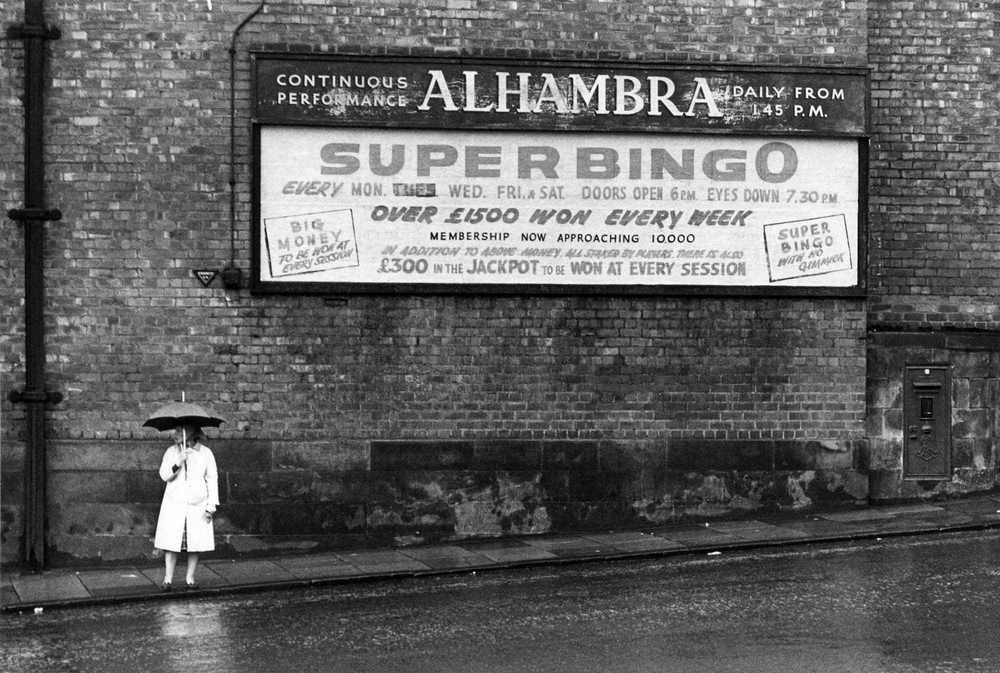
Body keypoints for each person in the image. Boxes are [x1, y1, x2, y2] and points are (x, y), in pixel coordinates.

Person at [153, 424, 219, 590]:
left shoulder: (206, 453)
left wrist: (211, 506)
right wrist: (178, 463)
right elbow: (164, 475)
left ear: (190, 433)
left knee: (195, 542)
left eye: (179, 431)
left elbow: (212, 479)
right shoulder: (171, 452)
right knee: (171, 543)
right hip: (175, 504)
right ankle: (168, 579)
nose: (175, 434)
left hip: (197, 505)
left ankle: (190, 578)